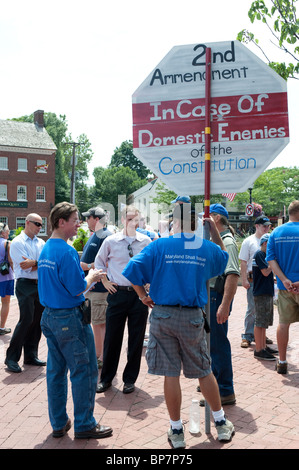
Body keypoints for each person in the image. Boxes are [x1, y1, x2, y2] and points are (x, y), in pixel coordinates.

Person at [122, 204, 235, 449]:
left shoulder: (159, 245)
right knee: (204, 370)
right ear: (196, 224)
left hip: (162, 315)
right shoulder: (204, 248)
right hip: (191, 316)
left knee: (170, 374)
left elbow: (131, 271)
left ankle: (176, 429)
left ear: (175, 222)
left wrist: (142, 295)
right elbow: (224, 258)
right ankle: (221, 422)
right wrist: (214, 229)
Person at [38, 202, 112, 439]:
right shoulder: (66, 251)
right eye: (75, 219)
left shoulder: (46, 248)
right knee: (84, 370)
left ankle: (59, 422)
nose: (78, 223)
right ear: (62, 222)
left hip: (50, 316)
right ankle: (84, 423)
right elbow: (76, 289)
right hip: (69, 318)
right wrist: (91, 276)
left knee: (56, 371)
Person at [95, 205, 151, 394]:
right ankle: (107, 379)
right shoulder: (111, 241)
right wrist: (104, 280)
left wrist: (150, 283)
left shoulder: (146, 241)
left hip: (139, 296)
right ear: (122, 220)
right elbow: (98, 262)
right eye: (129, 219)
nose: (132, 222)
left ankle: (129, 379)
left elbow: (152, 264)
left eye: (136, 219)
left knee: (136, 339)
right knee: (112, 337)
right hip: (117, 293)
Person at [199, 204, 239, 406]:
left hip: (217, 297)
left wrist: (225, 305)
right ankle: (215, 385)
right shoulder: (219, 240)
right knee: (211, 343)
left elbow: (232, 274)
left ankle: (224, 390)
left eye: (207, 217)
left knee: (217, 344)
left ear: (215, 218)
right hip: (212, 296)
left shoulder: (227, 242)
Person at [5, 214, 46, 373]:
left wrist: (35, 263)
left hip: (39, 284)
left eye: (41, 225)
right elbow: (25, 267)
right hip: (25, 284)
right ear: (27, 223)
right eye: (37, 224)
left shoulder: (41, 242)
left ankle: (30, 355)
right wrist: (37, 264)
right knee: (27, 318)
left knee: (37, 321)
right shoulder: (17, 242)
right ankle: (11, 358)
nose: (39, 227)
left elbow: (45, 263)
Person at [267, 200, 299, 374]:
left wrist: (285, 280)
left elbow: (271, 259)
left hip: (284, 287)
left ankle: (283, 360)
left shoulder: (276, 232)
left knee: (284, 324)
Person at [80, 206, 112, 369]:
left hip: (99, 289)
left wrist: (87, 266)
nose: (86, 221)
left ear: (96, 219)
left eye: (88, 218)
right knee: (96, 323)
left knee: (99, 324)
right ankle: (98, 355)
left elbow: (108, 261)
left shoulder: (105, 236)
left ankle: (100, 357)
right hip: (93, 287)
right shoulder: (97, 235)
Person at [239, 215, 272, 348]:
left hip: (265, 279)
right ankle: (247, 335)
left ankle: (260, 334)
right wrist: (244, 280)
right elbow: (243, 261)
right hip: (253, 279)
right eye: (264, 226)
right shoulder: (249, 241)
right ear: (257, 226)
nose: (267, 228)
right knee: (252, 308)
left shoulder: (269, 240)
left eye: (268, 226)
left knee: (263, 309)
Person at [252, 233, 277, 361]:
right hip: (261, 292)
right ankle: (259, 349)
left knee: (264, 321)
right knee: (260, 321)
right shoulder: (260, 254)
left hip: (266, 292)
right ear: (265, 243)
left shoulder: (264, 255)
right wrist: (273, 262)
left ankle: (263, 346)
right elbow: (265, 272)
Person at [0, 223, 14, 335]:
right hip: (5, 277)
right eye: (7, 231)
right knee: (5, 302)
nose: (9, 232)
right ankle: (1, 327)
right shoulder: (8, 244)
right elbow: (11, 261)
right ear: (2, 232)